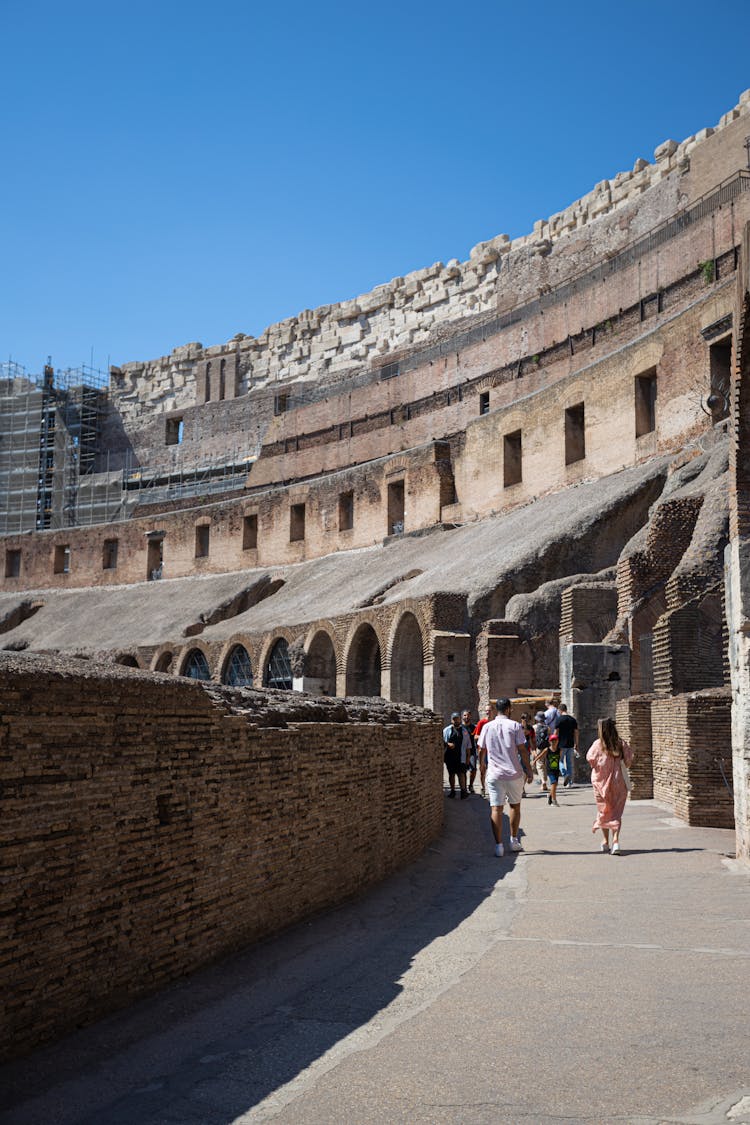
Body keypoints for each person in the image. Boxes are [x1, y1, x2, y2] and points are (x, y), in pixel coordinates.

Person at [477, 697, 534, 856]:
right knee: (515, 806)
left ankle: (499, 846)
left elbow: (481, 749)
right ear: (508, 709)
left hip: (495, 773)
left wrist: (482, 765)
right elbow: (522, 750)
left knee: (496, 808)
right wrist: (529, 770)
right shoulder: (515, 726)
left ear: (496, 709)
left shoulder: (488, 726)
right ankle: (514, 840)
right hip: (513, 773)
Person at [586, 716, 634, 854]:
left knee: (604, 811)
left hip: (600, 784)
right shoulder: (620, 744)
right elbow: (629, 761)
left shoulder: (597, 745)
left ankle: (606, 841)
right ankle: (616, 842)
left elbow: (590, 760)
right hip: (618, 783)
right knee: (616, 813)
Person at [443, 711, 471, 799]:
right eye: (454, 719)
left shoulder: (464, 731)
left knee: (461, 774)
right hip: (449, 757)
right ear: (451, 721)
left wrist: (467, 758)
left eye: (457, 719)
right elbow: (441, 742)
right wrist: (448, 744)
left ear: (460, 719)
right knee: (451, 774)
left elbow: (468, 746)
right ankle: (452, 791)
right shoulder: (446, 730)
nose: (456, 721)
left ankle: (463, 792)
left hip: (461, 757)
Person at [533, 729, 562, 806]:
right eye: (552, 741)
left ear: (558, 741)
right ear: (549, 742)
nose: (554, 742)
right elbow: (540, 756)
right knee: (554, 783)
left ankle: (550, 795)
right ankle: (554, 800)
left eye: (555, 740)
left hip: (556, 769)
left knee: (555, 785)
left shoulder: (559, 750)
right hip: (550, 770)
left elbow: (560, 759)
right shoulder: (547, 750)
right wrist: (534, 761)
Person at [473, 703, 496, 797]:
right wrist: (486, 737)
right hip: (483, 750)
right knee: (483, 770)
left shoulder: (495, 722)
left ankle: (493, 789)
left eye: (489, 710)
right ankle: (483, 787)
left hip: (494, 751)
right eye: (486, 710)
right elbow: (475, 736)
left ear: (493, 711)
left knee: (494, 771)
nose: (487, 712)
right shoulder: (481, 722)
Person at [556, 704, 579, 787]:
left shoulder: (559, 720)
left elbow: (556, 733)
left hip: (561, 744)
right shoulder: (572, 720)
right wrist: (576, 743)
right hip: (570, 744)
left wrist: (554, 743)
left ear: (560, 710)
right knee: (569, 763)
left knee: (559, 761)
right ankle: (569, 783)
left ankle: (565, 774)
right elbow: (576, 732)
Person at [520, 713, 536, 797]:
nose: (524, 719)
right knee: (521, 769)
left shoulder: (531, 729)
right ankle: (521, 789)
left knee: (525, 770)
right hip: (519, 751)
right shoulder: (518, 727)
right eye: (523, 718)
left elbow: (532, 740)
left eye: (526, 718)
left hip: (527, 751)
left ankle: (522, 787)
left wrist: (534, 751)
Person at [533, 711, 549, 791]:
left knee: (539, 765)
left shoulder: (534, 727)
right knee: (544, 765)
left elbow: (532, 739)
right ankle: (544, 781)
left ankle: (543, 782)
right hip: (546, 748)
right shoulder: (547, 727)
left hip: (539, 748)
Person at [463, 709, 478, 793]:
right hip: (462, 752)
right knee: (463, 770)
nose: (466, 717)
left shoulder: (474, 728)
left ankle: (471, 785)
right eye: (465, 715)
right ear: (462, 716)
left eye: (468, 715)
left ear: (470, 716)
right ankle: (463, 786)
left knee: (473, 769)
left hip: (472, 752)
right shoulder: (460, 727)